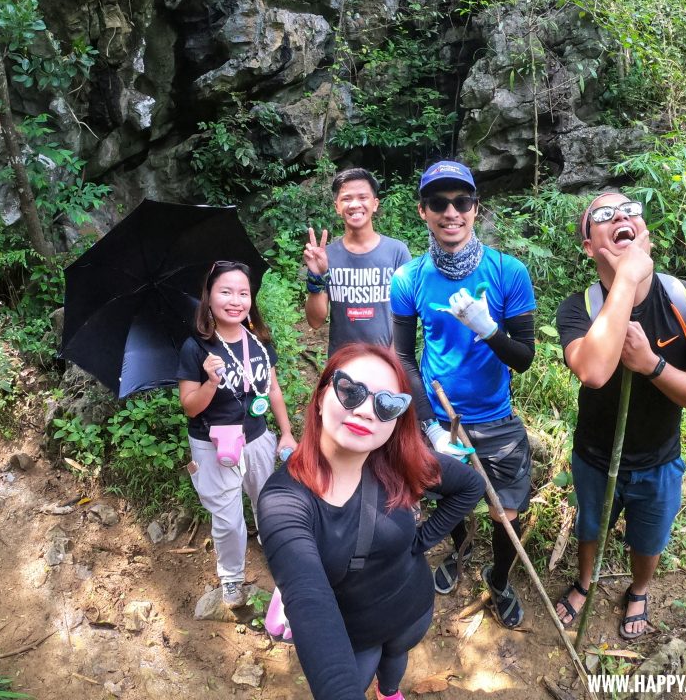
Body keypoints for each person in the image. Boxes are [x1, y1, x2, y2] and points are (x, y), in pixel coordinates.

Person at [258, 344, 483, 700]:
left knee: (395, 664)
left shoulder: (398, 460)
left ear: (397, 418)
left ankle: (389, 692)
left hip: (411, 610)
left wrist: (424, 540)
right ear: (320, 397)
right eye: (351, 391)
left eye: (386, 404)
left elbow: (471, 486)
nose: (365, 411)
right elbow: (310, 601)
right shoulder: (284, 502)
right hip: (353, 635)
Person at [554, 192, 686, 639]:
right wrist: (627, 281)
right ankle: (584, 582)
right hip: (594, 454)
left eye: (629, 210)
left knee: (648, 539)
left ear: (643, 230)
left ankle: (639, 590)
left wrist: (652, 364)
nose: (620, 217)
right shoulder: (579, 309)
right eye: (604, 216)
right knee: (590, 527)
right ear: (590, 246)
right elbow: (592, 371)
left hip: (659, 458)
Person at [390, 160, 538, 629]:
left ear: (475, 208)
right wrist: (430, 425)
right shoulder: (408, 279)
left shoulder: (508, 271)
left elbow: (524, 357)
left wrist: (489, 329)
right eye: (439, 202)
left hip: (497, 419)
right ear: (423, 211)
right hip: (442, 420)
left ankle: (498, 577)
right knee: (447, 499)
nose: (450, 212)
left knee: (506, 512)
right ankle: (460, 551)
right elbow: (404, 358)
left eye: (461, 202)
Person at [177, 260, 298, 607]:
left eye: (243, 292)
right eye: (225, 291)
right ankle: (231, 578)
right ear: (209, 298)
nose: (235, 300)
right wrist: (211, 382)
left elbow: (272, 389)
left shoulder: (258, 341)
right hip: (212, 444)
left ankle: (279, 559)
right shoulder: (196, 348)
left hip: (258, 437)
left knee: (271, 506)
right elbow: (189, 406)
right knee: (228, 521)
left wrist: (286, 433)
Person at [304, 168, 411, 355]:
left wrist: (395, 365)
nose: (355, 204)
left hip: (386, 365)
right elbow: (315, 321)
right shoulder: (325, 256)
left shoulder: (396, 252)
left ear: (375, 203)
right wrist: (317, 276)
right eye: (346, 198)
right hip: (342, 368)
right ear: (337, 206)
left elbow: (407, 316)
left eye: (363, 197)